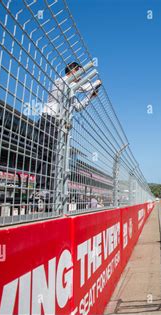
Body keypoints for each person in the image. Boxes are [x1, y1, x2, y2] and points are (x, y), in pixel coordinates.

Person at [34, 62, 102, 209]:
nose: (81, 77)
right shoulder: (61, 81)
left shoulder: (71, 91)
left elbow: (78, 107)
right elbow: (81, 86)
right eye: (79, 73)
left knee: (56, 160)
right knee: (44, 155)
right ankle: (41, 190)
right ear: (72, 72)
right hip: (49, 120)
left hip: (60, 127)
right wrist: (95, 82)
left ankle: (51, 193)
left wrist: (91, 96)